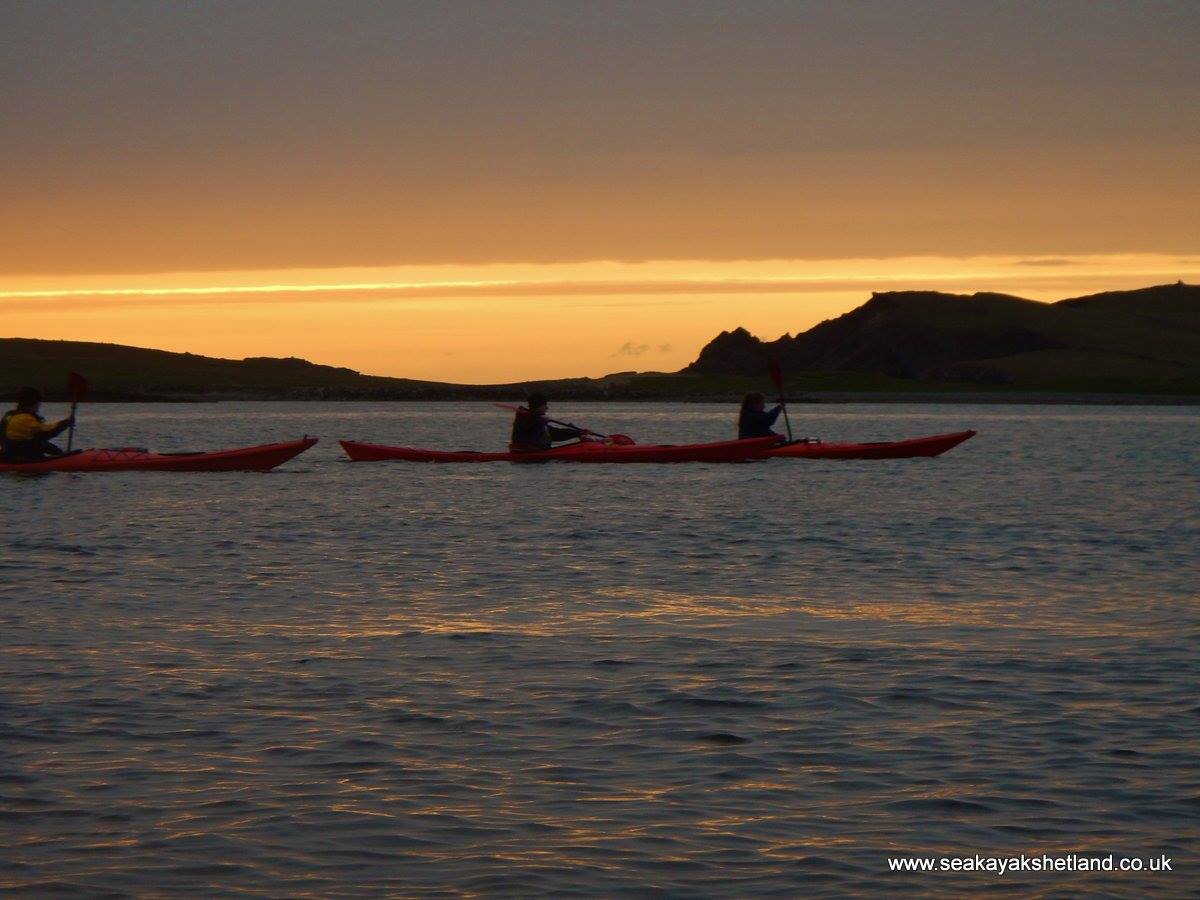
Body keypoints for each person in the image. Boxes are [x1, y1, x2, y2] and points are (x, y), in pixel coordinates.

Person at [0, 387, 74, 463]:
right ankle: (62, 458)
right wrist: (66, 423)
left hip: (7, 453)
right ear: (34, 403)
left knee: (38, 441)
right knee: (39, 442)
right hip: (22, 458)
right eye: (39, 403)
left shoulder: (9, 416)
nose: (38, 407)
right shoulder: (25, 419)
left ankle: (61, 455)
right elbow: (47, 432)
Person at [510, 393, 582, 451]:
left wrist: (577, 433)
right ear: (539, 406)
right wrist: (540, 422)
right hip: (526, 452)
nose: (547, 408)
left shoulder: (536, 420)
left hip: (537, 451)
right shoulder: (524, 419)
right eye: (545, 405)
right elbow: (526, 428)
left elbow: (555, 434)